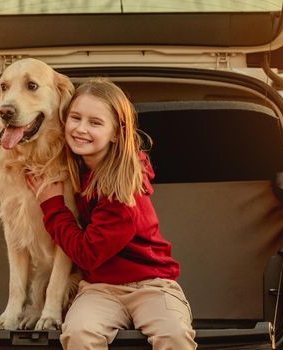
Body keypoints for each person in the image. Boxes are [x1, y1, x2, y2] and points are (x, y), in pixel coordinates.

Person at [25, 77, 197, 350]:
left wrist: (53, 205)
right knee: (79, 334)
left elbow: (87, 254)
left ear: (117, 133)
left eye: (95, 123)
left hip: (151, 285)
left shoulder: (124, 189)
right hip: (100, 288)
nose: (81, 129)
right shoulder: (74, 168)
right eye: (75, 118)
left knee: (173, 335)